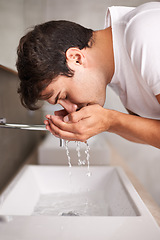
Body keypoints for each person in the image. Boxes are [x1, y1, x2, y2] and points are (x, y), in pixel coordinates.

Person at [16, 2, 160, 149]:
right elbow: (148, 133)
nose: (71, 109)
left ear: (76, 58)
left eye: (64, 96)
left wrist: (110, 120)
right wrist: (102, 123)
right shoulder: (114, 69)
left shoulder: (145, 33)